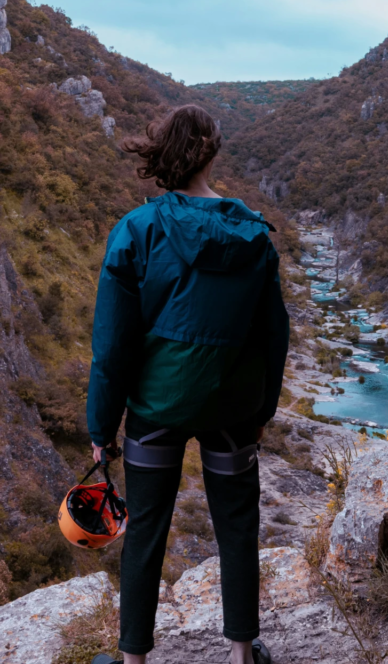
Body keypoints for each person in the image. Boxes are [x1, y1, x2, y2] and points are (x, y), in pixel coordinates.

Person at [86, 105, 289, 664]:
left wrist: (101, 425)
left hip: (156, 407)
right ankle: (241, 655)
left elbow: (113, 346)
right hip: (232, 410)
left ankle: (133, 660)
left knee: (147, 529)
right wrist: (262, 410)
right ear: (212, 153)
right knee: (237, 524)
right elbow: (275, 334)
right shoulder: (251, 233)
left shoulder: (137, 230)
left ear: (161, 156)